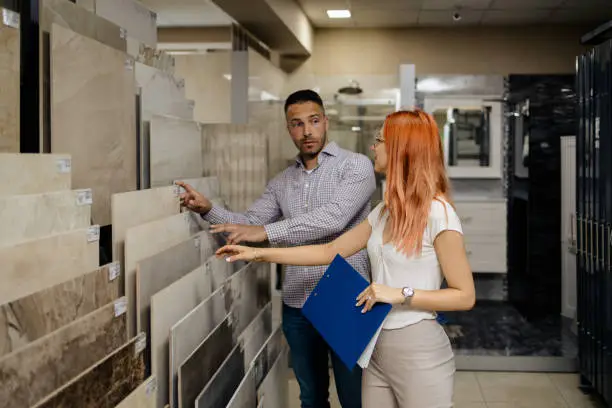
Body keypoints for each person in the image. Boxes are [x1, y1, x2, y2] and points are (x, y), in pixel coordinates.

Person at [216, 110, 476, 408]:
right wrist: (257, 253)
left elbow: (464, 295)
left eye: (380, 140)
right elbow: (328, 251)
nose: (373, 146)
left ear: (402, 149)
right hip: (376, 343)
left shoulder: (439, 213)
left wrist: (398, 294)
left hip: (417, 344)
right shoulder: (383, 212)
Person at [177, 89, 376, 408]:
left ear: (325, 121)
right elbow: (249, 222)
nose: (307, 131)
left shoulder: (356, 167)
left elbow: (333, 220)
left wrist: (266, 232)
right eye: (297, 124)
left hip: (347, 296)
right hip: (297, 301)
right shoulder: (281, 182)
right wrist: (207, 209)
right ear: (289, 129)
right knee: (311, 397)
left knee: (356, 397)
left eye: (313, 121)